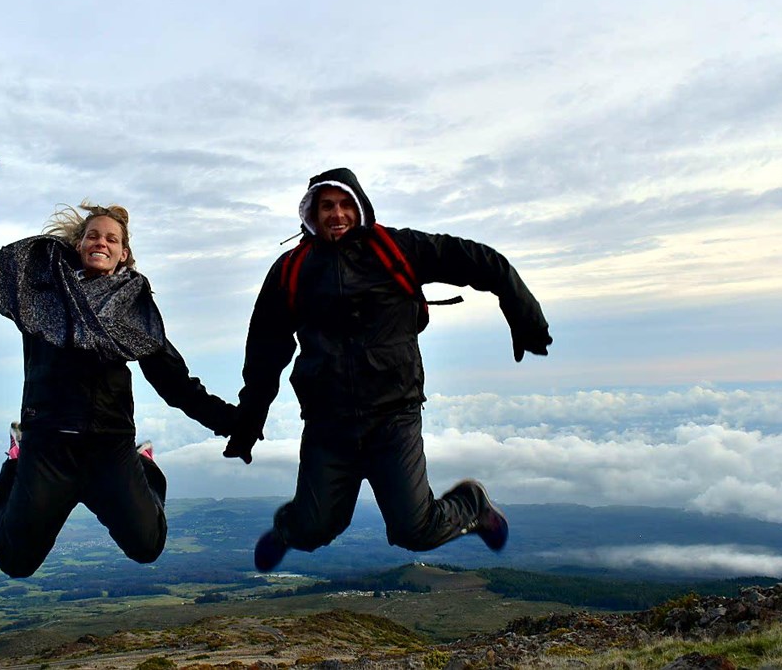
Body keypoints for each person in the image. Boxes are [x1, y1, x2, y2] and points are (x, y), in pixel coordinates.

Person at [223, 167, 551, 572]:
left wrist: (526, 319)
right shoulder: (292, 269)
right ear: (311, 213)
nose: (337, 214)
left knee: (416, 529)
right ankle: (289, 532)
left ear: (360, 206)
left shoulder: (396, 249)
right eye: (327, 206)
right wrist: (247, 425)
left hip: (393, 417)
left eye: (345, 204)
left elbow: (484, 263)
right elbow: (264, 353)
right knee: (312, 529)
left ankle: (472, 505)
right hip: (328, 424)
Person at [0, 158, 237, 577]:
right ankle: (16, 460)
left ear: (124, 254)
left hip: (110, 447)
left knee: (147, 546)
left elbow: (175, 383)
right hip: (48, 446)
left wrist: (233, 421)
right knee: (15, 562)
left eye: (111, 238)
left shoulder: (134, 314)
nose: (100, 242)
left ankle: (147, 466)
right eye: (92, 235)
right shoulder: (37, 294)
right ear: (80, 243)